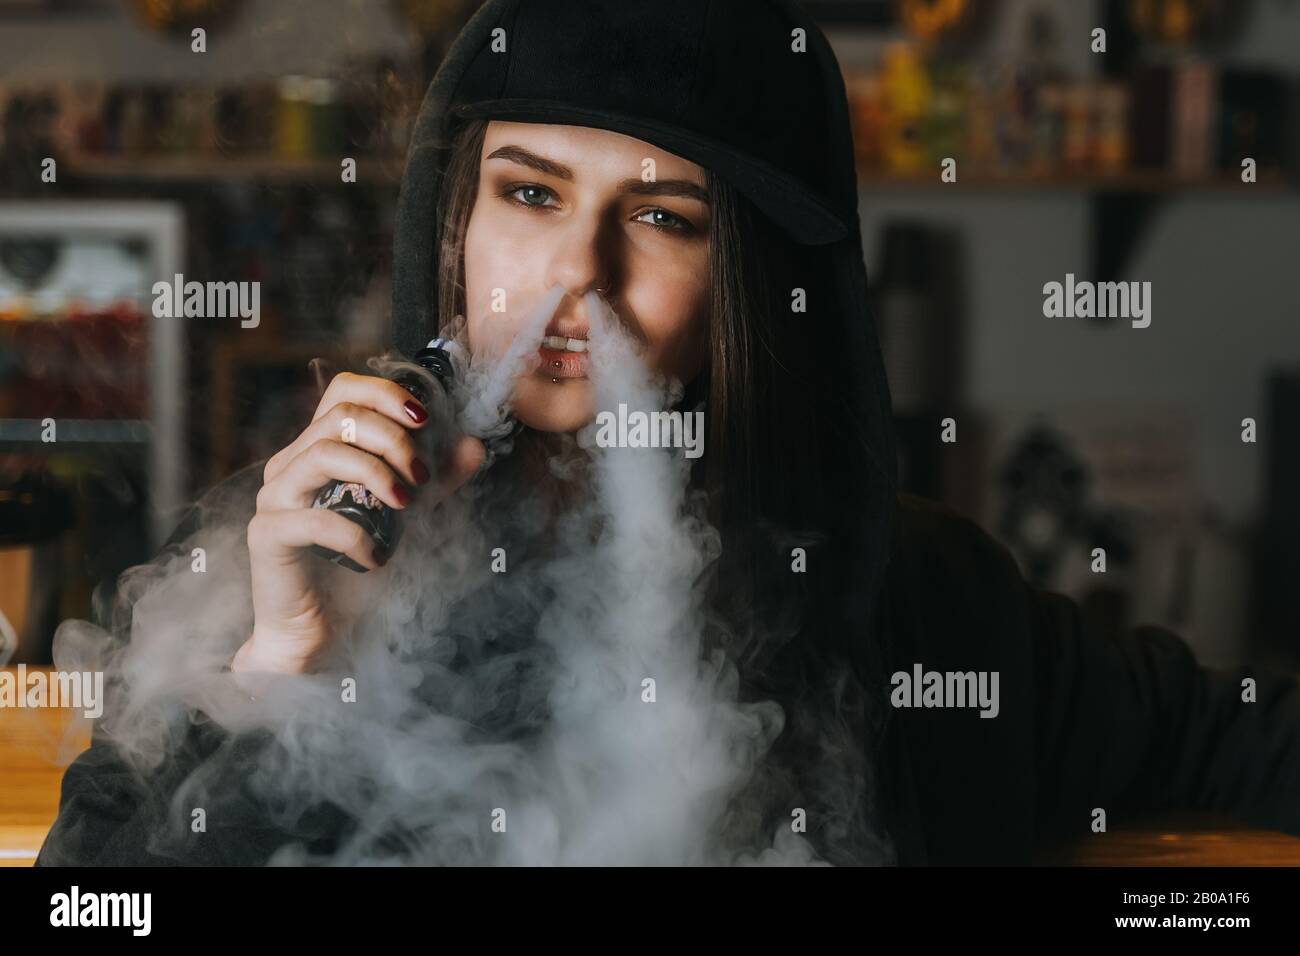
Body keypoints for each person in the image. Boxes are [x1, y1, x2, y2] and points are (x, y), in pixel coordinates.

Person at [38, 0, 1300, 867]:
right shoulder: (288, 563)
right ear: (453, 227)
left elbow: (1234, 735)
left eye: (662, 217)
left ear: (749, 286)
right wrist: (279, 672)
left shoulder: (913, 596)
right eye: (529, 192)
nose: (572, 271)